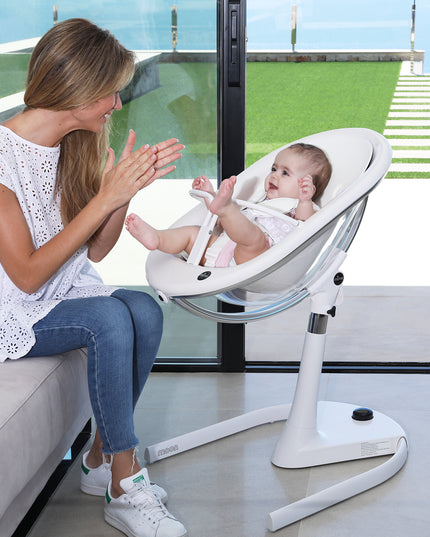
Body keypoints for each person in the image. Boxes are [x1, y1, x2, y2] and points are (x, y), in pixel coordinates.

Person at [0, 18, 187, 537]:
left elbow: (96, 251)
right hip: (13, 309)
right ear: (77, 89)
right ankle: (124, 485)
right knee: (108, 316)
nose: (116, 105)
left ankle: (101, 459)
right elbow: (28, 276)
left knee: (145, 307)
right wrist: (105, 197)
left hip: (62, 291)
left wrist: (121, 194)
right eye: (109, 92)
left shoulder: (76, 143)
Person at [125, 143, 332, 266]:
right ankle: (158, 238)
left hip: (259, 256)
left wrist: (305, 200)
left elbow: (307, 227)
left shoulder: (301, 206)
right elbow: (227, 227)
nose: (274, 175)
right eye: (274, 168)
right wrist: (209, 198)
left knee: (253, 237)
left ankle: (224, 205)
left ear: (308, 187)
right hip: (222, 253)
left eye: (285, 173)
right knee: (192, 234)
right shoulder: (262, 203)